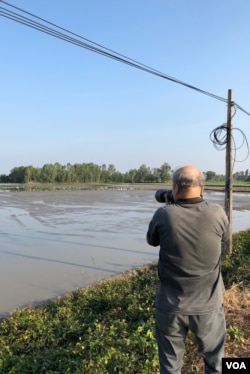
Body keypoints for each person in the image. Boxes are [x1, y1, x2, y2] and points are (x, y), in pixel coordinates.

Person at [146, 165, 229, 374]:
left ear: (175, 188)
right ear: (202, 188)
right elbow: (225, 240)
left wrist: (170, 206)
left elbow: (151, 240)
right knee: (215, 364)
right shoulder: (217, 213)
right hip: (209, 306)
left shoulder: (164, 214)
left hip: (171, 307)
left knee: (170, 367)